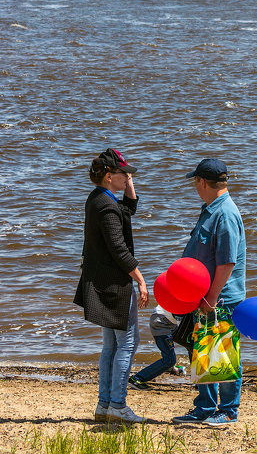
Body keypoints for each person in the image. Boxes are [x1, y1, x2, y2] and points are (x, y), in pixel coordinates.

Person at [73, 148, 150, 424]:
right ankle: (117, 404)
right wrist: (141, 280)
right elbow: (119, 250)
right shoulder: (105, 204)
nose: (128, 177)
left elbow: (127, 210)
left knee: (111, 345)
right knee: (128, 343)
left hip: (103, 283)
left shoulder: (100, 198)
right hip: (113, 285)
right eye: (123, 174)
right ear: (108, 176)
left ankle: (105, 405)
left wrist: (129, 180)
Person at [171, 158, 246, 428]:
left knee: (224, 354)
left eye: (195, 181)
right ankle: (204, 407)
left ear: (202, 182)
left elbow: (227, 262)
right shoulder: (211, 209)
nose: (194, 185)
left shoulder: (225, 213)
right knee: (202, 351)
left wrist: (212, 297)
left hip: (221, 298)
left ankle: (228, 411)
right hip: (203, 296)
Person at [129, 305, 184, 388]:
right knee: (169, 360)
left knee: (189, 348)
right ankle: (137, 379)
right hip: (161, 323)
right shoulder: (189, 306)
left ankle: (169, 368)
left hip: (167, 320)